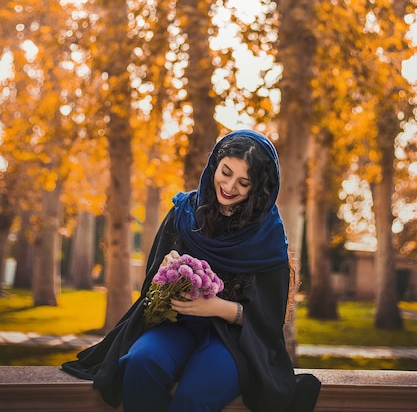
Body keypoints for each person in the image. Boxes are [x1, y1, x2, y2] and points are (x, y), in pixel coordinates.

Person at [62, 129, 321, 412]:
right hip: (176, 324)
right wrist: (164, 271)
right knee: (140, 362)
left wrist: (217, 307)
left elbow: (269, 320)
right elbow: (151, 292)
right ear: (214, 164)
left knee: (193, 398)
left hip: (234, 340)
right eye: (225, 172)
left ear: (258, 188)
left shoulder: (268, 236)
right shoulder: (183, 213)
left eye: (244, 182)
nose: (230, 186)